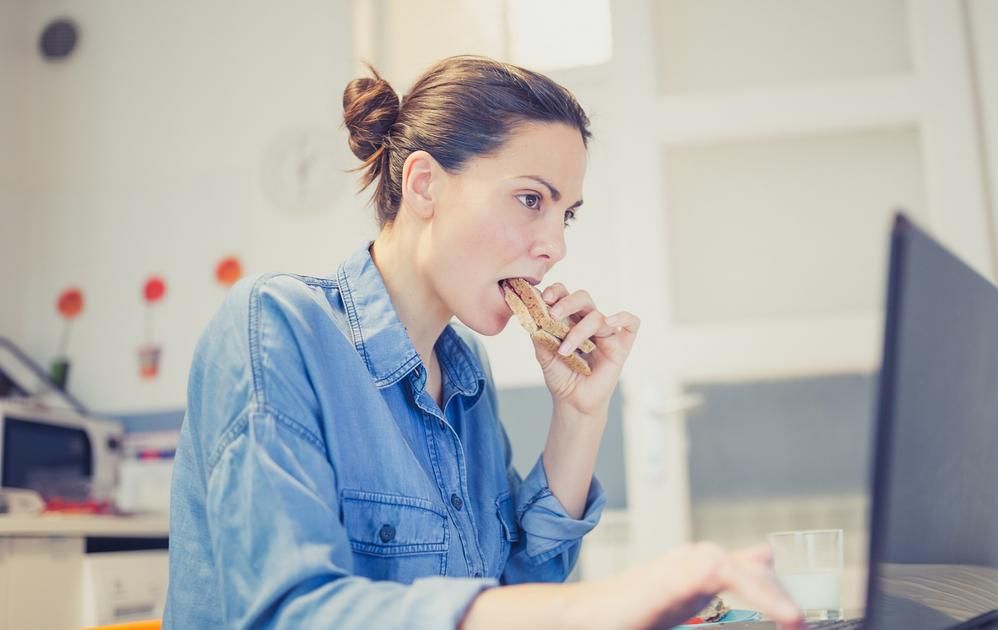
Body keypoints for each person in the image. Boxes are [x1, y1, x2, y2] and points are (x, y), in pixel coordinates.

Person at [164, 55, 804, 629]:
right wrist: (607, 602)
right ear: (424, 185)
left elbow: (512, 596)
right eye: (531, 199)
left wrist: (580, 414)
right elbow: (289, 613)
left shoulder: (463, 371)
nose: (555, 246)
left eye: (566, 213)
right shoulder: (276, 325)